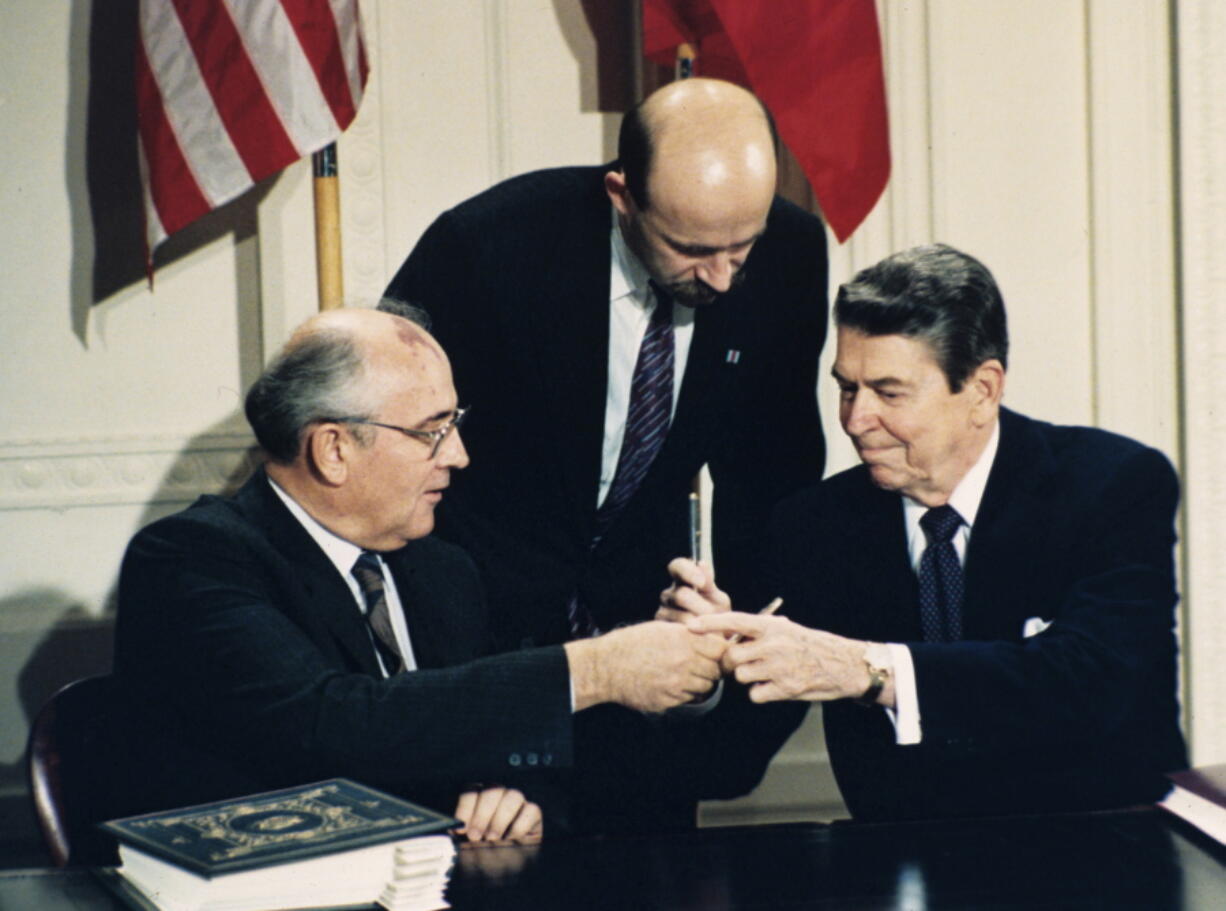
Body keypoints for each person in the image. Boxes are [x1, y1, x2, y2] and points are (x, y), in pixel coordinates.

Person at [382, 77, 824, 830]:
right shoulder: (487, 248)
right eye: (690, 248)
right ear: (622, 195)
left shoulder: (790, 251)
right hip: (483, 671)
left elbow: (774, 483)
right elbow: (392, 470)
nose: (721, 278)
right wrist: (480, 741)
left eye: (739, 248)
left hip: (645, 687)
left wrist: (728, 675)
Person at [113, 307, 729, 843]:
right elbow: (332, 725)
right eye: (432, 431)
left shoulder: (440, 568)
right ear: (334, 449)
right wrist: (598, 666)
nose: (459, 454)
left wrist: (513, 797)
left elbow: (490, 729)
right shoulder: (190, 560)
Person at [669, 244, 1188, 821]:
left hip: (1104, 861)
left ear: (982, 391)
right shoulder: (813, 525)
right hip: (904, 874)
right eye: (847, 388)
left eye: (888, 393)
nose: (855, 420)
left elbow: (1093, 686)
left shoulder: (1112, 485)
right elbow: (729, 764)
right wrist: (704, 668)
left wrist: (865, 670)